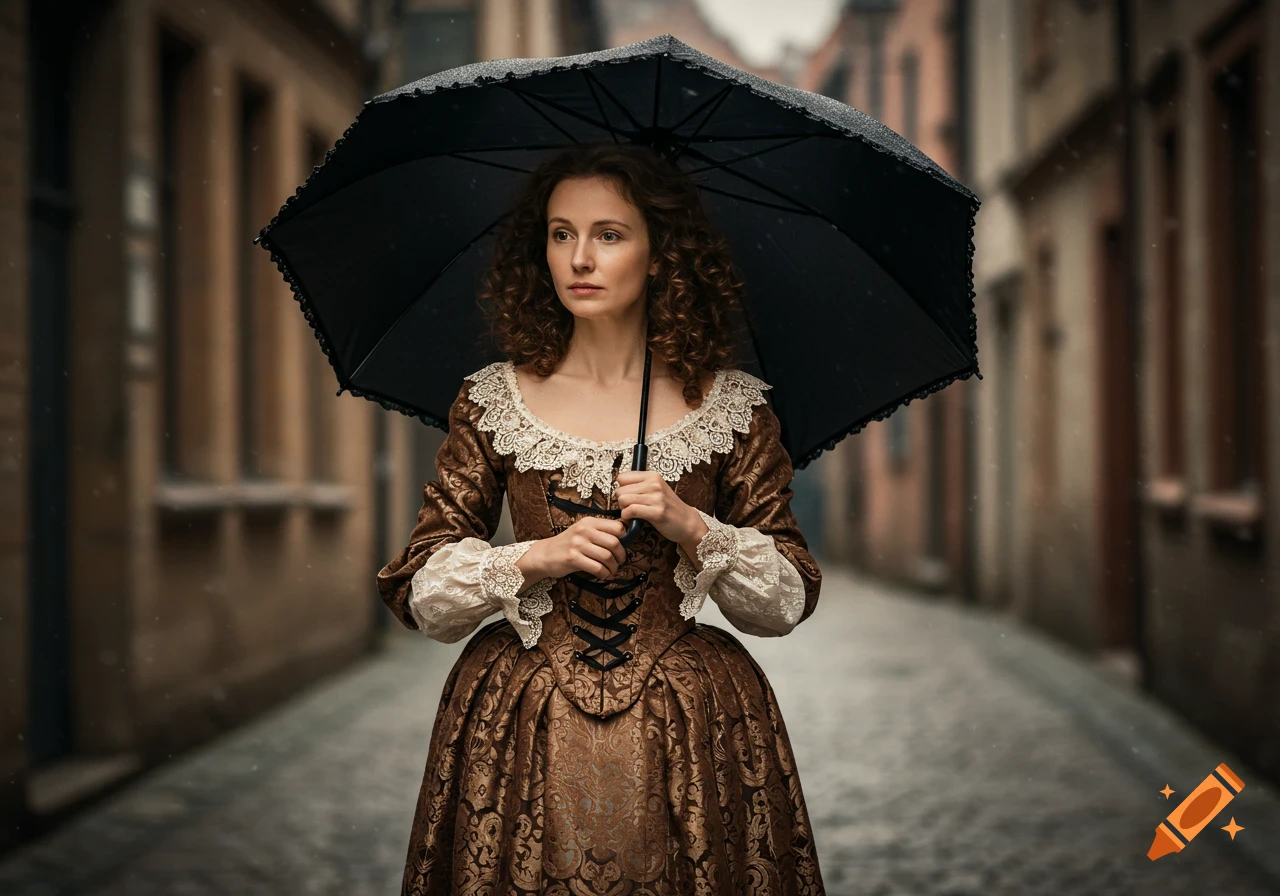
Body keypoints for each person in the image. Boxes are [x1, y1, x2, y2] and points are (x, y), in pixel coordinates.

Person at [376, 141, 826, 895]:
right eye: (561, 234)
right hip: (523, 719)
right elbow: (421, 591)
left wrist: (691, 525)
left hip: (690, 724)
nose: (579, 258)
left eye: (608, 235)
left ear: (660, 256)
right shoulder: (494, 401)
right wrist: (533, 558)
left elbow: (786, 599)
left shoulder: (733, 410)